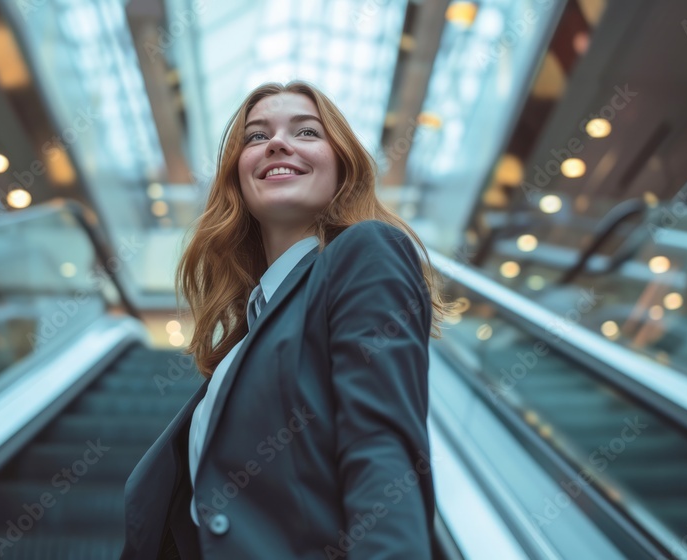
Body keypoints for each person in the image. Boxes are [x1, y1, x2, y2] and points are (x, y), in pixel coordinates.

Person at [120, 80, 455, 559]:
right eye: (256, 137)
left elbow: (382, 448)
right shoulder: (249, 335)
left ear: (343, 167)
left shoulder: (366, 251)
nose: (277, 142)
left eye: (306, 132)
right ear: (237, 177)